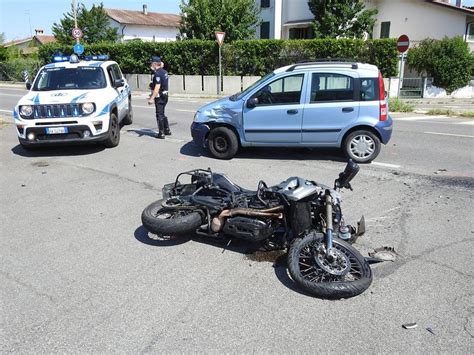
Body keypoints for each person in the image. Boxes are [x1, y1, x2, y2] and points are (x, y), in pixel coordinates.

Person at [147, 56, 170, 139]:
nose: (150, 65)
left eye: (151, 63)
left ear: (155, 64)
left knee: (159, 114)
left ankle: (161, 133)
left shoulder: (157, 73)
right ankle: (167, 129)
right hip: (165, 95)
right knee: (162, 113)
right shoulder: (164, 72)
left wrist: (151, 98)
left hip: (160, 97)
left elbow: (157, 87)